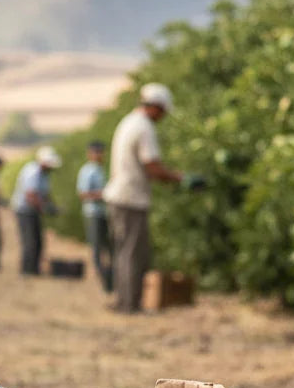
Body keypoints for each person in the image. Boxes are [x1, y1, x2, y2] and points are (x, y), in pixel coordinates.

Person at [102, 84, 202, 313]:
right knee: (133, 253)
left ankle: (124, 301)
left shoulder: (128, 122)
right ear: (155, 107)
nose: (163, 117)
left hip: (120, 197)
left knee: (124, 251)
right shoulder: (144, 128)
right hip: (130, 198)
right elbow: (152, 167)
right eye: (163, 111)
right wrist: (181, 178)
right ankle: (129, 304)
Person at [11, 145, 61, 275]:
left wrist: (52, 206)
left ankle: (34, 268)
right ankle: (27, 270)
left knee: (38, 240)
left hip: (33, 211)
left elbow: (45, 194)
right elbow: (30, 196)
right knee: (29, 241)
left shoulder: (44, 174)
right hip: (24, 211)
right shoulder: (32, 172)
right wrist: (44, 208)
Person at [76, 139, 112, 291]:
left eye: (101, 151)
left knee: (107, 248)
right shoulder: (88, 170)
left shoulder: (100, 170)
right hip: (93, 214)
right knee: (97, 248)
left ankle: (110, 279)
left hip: (103, 213)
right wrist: (105, 194)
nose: (99, 155)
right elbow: (83, 194)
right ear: (90, 153)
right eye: (96, 151)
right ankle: (104, 281)